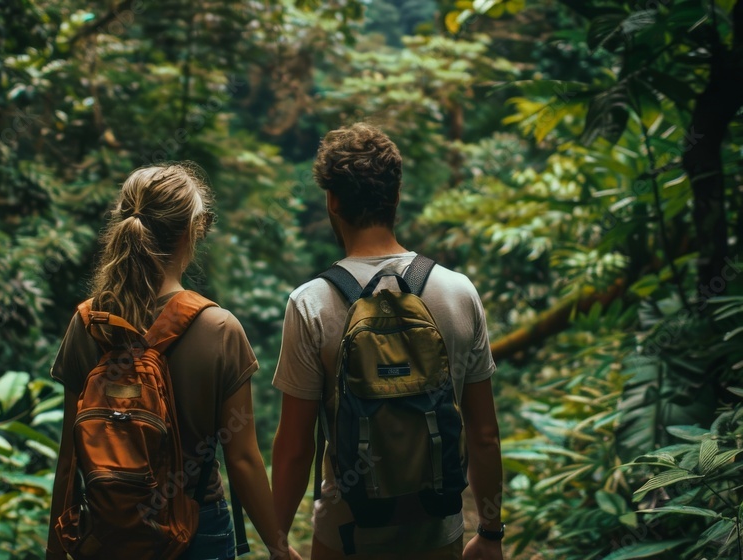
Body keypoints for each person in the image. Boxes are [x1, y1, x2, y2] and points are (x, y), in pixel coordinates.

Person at [270, 124, 504, 560]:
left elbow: (296, 446)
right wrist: (491, 533)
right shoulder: (458, 292)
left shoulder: (310, 304)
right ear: (396, 196)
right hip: (438, 533)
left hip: (345, 536)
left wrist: (278, 541)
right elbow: (484, 434)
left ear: (333, 200)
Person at [46, 163, 299, 560]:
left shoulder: (88, 324)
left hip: (110, 532)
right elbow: (243, 459)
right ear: (191, 231)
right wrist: (278, 547)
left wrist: (56, 549)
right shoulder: (219, 329)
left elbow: (69, 457)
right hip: (197, 528)